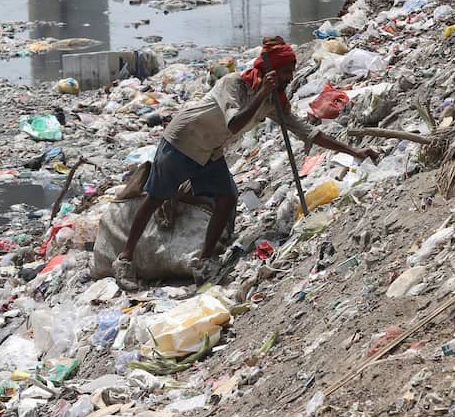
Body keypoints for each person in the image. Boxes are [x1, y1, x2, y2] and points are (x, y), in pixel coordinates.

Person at [112, 37, 379, 291]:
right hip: (182, 141)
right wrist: (262, 93)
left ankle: (203, 262)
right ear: (269, 71)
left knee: (227, 196)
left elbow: (307, 132)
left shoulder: (273, 101)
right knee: (156, 198)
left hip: (210, 151)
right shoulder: (233, 84)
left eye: (292, 71)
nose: (290, 77)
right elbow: (234, 123)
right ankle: (124, 260)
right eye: (286, 71)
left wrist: (354, 151)